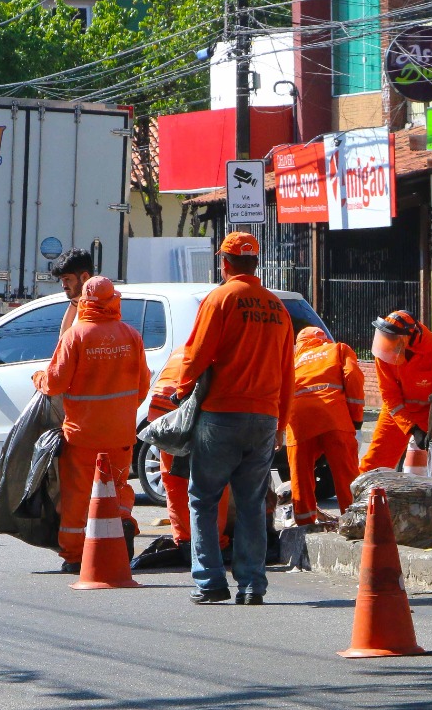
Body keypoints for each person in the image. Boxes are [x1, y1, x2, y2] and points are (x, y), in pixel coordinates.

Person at [172, 232, 294, 605]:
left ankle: (210, 583)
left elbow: (196, 351)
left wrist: (182, 389)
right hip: (264, 419)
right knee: (253, 503)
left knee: (204, 499)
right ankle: (252, 584)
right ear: (255, 264)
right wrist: (281, 425)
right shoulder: (277, 308)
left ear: (224, 263)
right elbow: (288, 372)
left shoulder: (220, 298)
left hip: (221, 415)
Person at [33, 276, 151, 574]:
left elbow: (56, 382)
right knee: (119, 487)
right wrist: (121, 412)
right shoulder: (131, 336)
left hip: (83, 435)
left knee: (78, 496)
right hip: (121, 434)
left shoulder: (76, 336)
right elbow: (142, 387)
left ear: (84, 302)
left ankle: (74, 556)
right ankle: (121, 528)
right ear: (114, 300)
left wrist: (38, 378)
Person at [145, 347, 231, 561]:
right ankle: (213, 541)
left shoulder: (180, 350)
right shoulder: (216, 353)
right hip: (186, 407)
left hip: (162, 412)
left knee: (173, 480)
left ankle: (184, 539)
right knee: (214, 480)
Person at [284, 326, 364, 525]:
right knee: (346, 475)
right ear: (324, 339)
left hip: (298, 420)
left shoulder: (292, 361)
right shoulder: (338, 349)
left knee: (300, 477)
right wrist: (355, 418)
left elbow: (279, 389)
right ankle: (353, 522)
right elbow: (352, 376)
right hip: (333, 416)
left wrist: (278, 427)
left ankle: (304, 523)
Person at [359, 310, 432, 474]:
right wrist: (412, 428)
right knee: (374, 463)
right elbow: (389, 396)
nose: (387, 342)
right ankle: (363, 497)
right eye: (385, 336)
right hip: (398, 410)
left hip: (429, 412)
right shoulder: (384, 351)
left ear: (409, 335)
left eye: (392, 338)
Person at [51, 248, 95, 335]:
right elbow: (64, 340)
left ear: (84, 277)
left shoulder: (98, 310)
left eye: (67, 279)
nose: (63, 285)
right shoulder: (78, 304)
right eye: (62, 280)